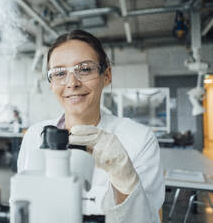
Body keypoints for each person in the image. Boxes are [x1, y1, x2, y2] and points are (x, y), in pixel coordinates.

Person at [17, 30, 165, 222]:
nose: (72, 83)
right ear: (51, 83)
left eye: (85, 69)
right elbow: (21, 204)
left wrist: (124, 179)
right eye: (59, 73)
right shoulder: (34, 135)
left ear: (107, 75)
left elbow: (147, 219)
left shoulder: (139, 139)